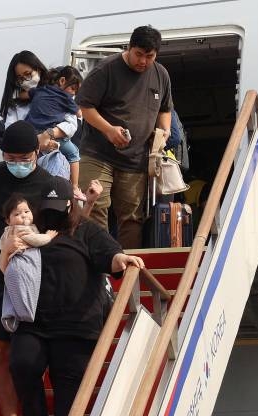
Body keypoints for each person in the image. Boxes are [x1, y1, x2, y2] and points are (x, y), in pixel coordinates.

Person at [4, 182, 144, 416]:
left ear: (71, 204)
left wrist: (122, 259)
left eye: (59, 208)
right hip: (33, 321)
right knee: (23, 364)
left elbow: (110, 254)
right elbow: (6, 265)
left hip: (76, 323)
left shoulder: (86, 229)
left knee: (68, 379)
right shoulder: (28, 230)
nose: (53, 214)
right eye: (47, 209)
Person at [0, 120, 74, 416]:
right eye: (10, 158)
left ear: (35, 153)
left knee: (33, 351)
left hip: (35, 280)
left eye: (22, 158)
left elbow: (59, 230)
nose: (16, 164)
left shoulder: (49, 183)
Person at [76, 25, 174, 249]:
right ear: (128, 48)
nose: (143, 61)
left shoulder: (161, 74)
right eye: (139, 54)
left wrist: (164, 130)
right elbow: (84, 105)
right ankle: (99, 267)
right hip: (98, 154)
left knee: (132, 218)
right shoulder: (107, 69)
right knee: (94, 207)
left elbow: (165, 109)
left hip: (136, 159)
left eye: (149, 56)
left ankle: (128, 271)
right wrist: (109, 129)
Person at [0, 51, 64, 163]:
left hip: (53, 149)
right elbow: (10, 131)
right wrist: (35, 141)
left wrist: (48, 134)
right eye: (20, 78)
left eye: (28, 74)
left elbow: (71, 122)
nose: (25, 81)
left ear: (38, 70)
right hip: (25, 152)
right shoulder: (16, 105)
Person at [0, 194, 56, 332]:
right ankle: (22, 313)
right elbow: (35, 240)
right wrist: (48, 236)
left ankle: (13, 314)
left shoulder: (9, 232)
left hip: (14, 268)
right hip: (20, 267)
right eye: (17, 214)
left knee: (14, 293)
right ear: (8, 220)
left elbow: (1, 244)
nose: (23, 216)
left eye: (26, 211)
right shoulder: (20, 230)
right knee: (24, 293)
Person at [25, 66, 84, 187]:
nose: (73, 94)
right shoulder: (66, 97)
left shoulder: (41, 89)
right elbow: (79, 114)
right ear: (62, 81)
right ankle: (75, 187)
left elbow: (28, 94)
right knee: (73, 154)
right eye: (73, 89)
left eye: (76, 93)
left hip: (32, 133)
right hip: (51, 134)